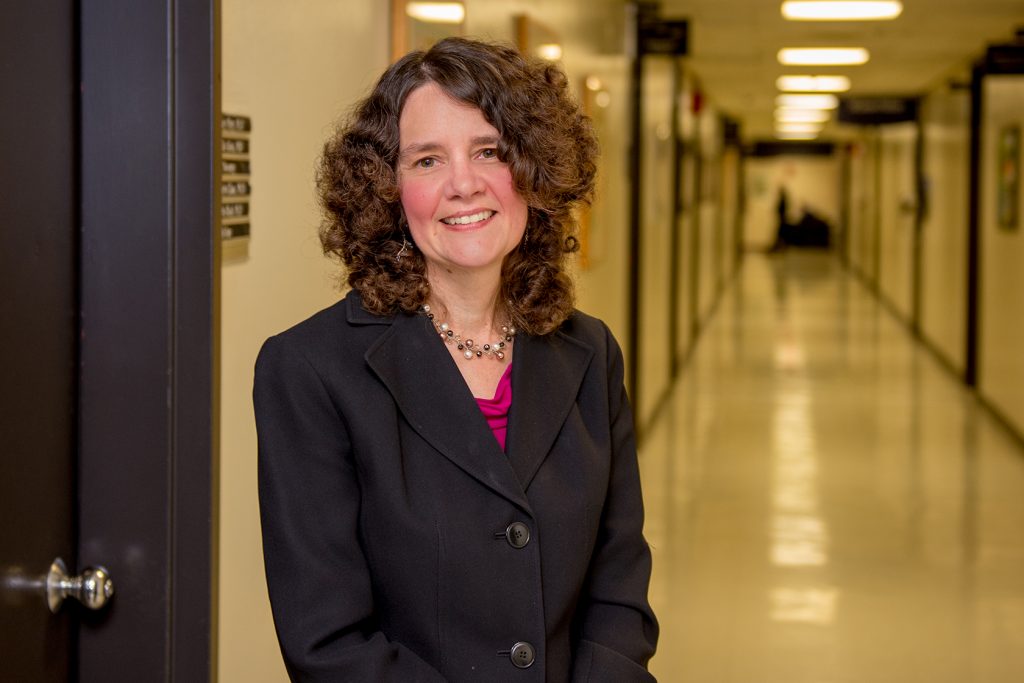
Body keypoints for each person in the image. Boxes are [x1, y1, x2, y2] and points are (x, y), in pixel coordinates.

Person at [254, 37, 658, 682]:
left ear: (533, 170)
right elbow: (326, 640)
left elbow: (619, 583)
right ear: (385, 189)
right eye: (426, 160)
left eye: (489, 151)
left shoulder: (589, 352)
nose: (463, 184)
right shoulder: (310, 370)